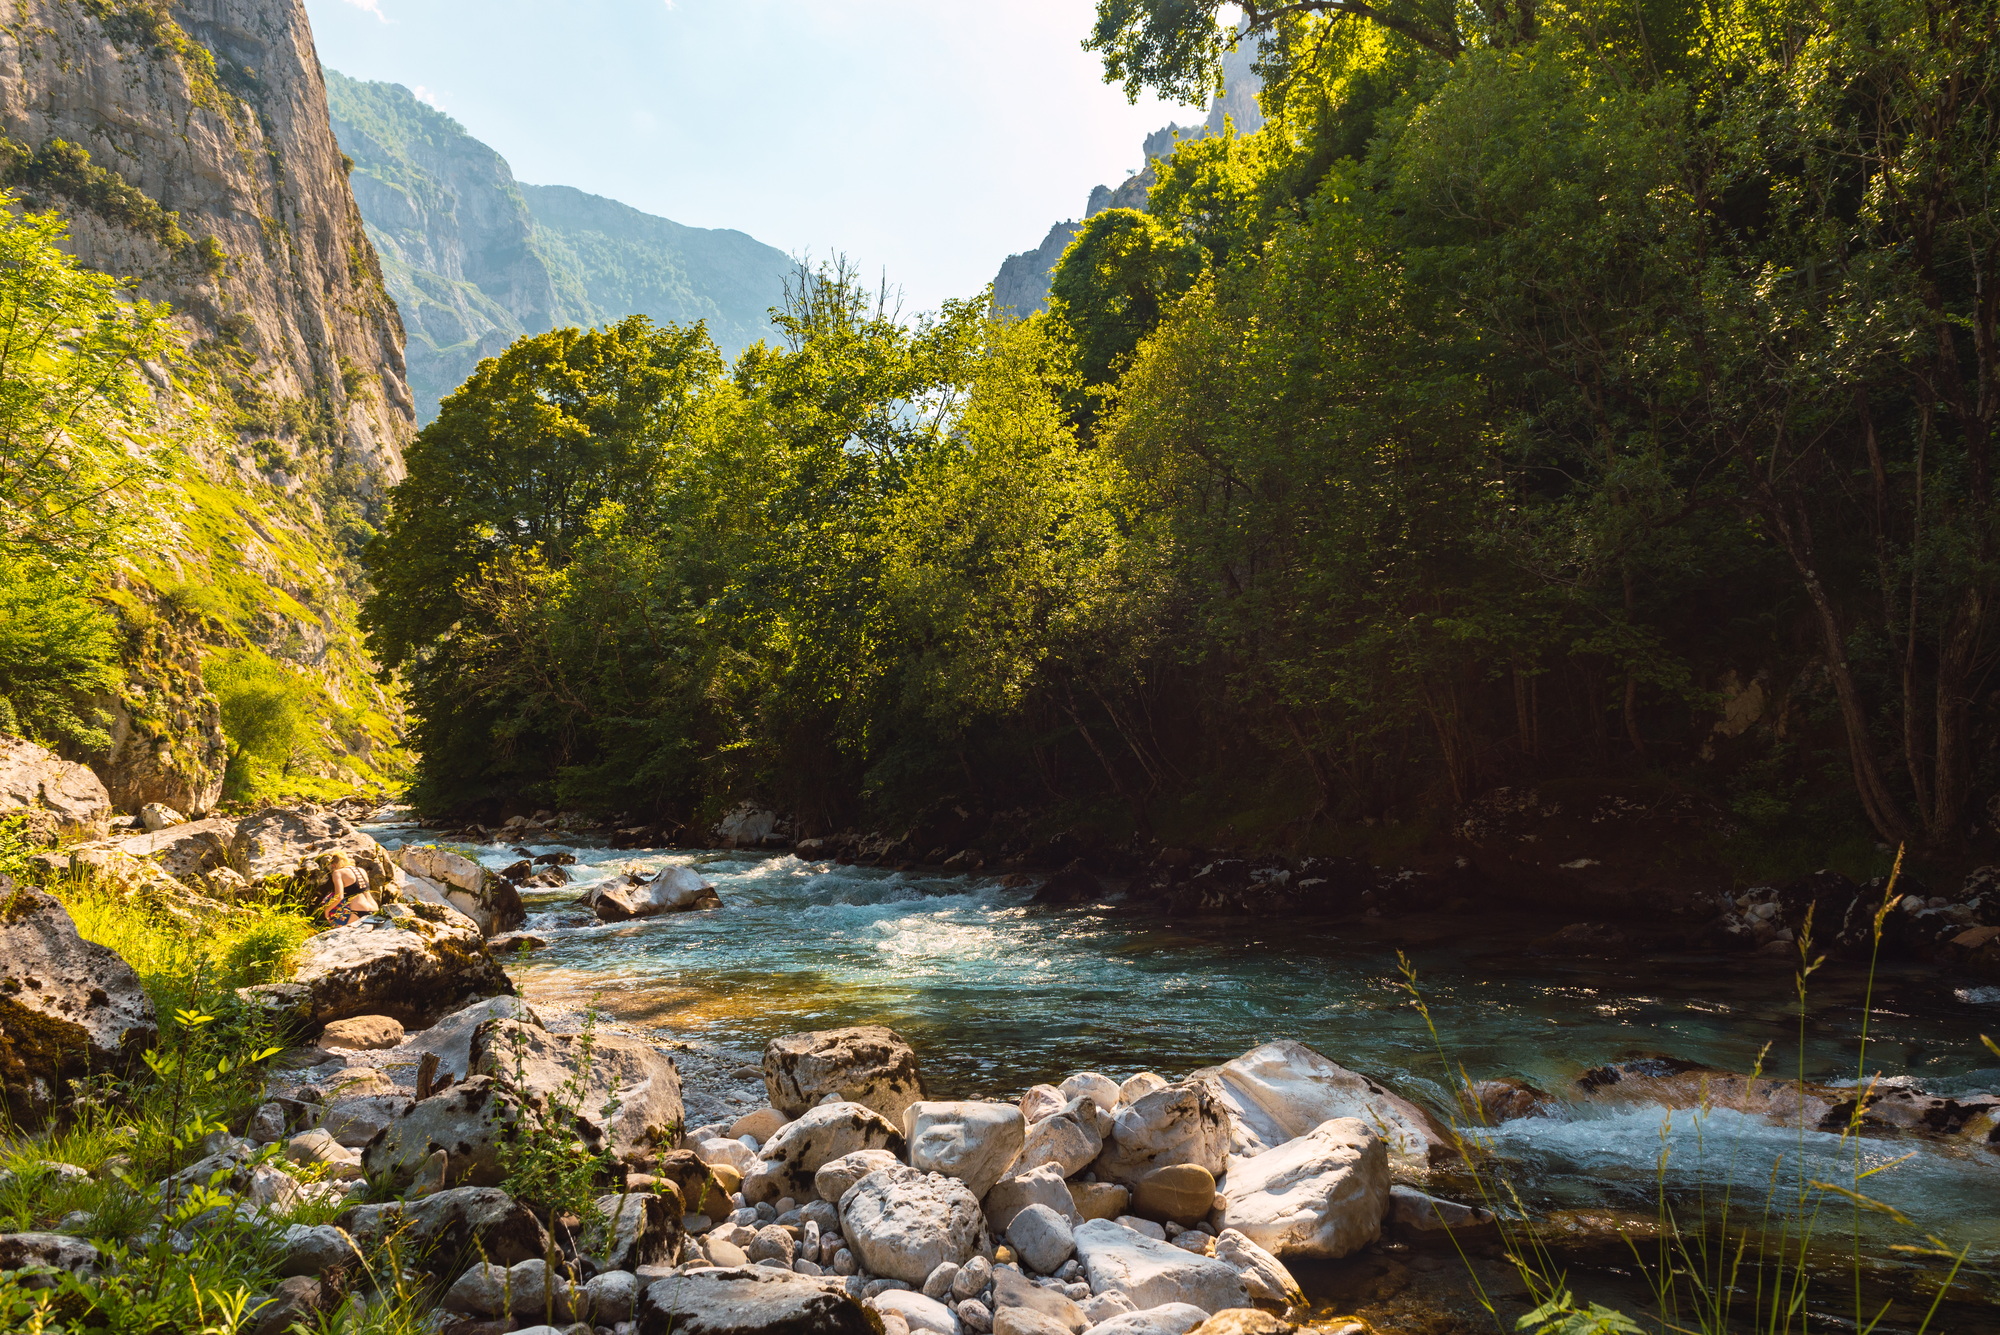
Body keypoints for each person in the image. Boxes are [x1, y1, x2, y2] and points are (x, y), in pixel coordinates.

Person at [317, 852, 378, 926]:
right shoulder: (361, 870)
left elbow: (339, 897)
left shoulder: (338, 872)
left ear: (334, 865)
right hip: (374, 909)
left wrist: (326, 911)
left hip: (358, 911)